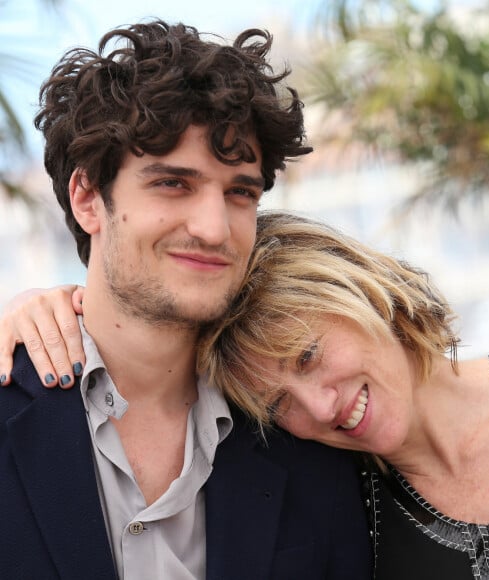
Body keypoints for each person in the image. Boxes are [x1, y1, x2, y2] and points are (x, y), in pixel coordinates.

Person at [3, 211, 489, 580]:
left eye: (308, 355)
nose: (321, 409)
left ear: (357, 290)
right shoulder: (329, 495)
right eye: (279, 406)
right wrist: (45, 308)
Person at [0, 21, 373, 580]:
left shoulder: (309, 430)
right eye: (173, 183)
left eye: (239, 192)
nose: (214, 228)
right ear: (86, 199)